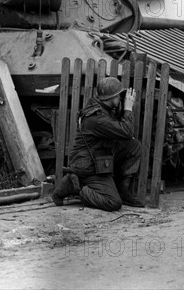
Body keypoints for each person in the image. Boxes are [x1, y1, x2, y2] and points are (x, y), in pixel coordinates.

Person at [53, 77, 144, 211]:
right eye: (118, 95)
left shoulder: (103, 108)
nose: (120, 98)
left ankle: (122, 190)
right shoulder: (96, 118)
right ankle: (76, 187)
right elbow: (127, 131)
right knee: (113, 203)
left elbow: (122, 132)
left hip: (99, 157)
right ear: (111, 97)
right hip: (88, 166)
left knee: (133, 146)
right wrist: (128, 108)